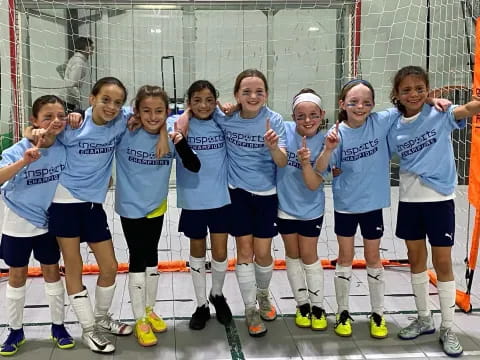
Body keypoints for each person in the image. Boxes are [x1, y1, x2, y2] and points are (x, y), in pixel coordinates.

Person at [388, 65, 480, 357]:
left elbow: (468, 109)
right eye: (407, 90)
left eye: (419, 89)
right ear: (397, 94)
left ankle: (448, 327)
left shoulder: (440, 114)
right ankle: (424, 318)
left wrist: (436, 101)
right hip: (409, 201)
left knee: (441, 262)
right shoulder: (393, 125)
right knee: (416, 259)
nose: (413, 94)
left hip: (439, 200)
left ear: (427, 89)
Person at [48, 77, 133, 353]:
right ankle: (88, 330)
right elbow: (37, 129)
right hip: (64, 202)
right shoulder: (73, 125)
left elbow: (154, 109)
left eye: (118, 102)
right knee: (74, 266)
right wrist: (60, 119)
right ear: (91, 99)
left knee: (110, 266)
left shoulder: (120, 121)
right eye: (105, 100)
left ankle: (101, 318)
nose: (111, 107)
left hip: (93, 205)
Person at [115, 85, 200, 346]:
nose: (153, 116)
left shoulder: (172, 132)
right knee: (137, 258)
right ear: (136, 112)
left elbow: (194, 166)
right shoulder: (124, 129)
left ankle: (149, 310)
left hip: (156, 206)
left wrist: (173, 137)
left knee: (152, 257)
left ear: (167, 111)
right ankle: (139, 318)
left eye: (159, 111)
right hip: (130, 206)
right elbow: (102, 112)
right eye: (146, 111)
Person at [0, 95, 74, 356]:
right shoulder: (17, 149)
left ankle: (58, 326)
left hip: (47, 223)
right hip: (17, 223)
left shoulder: (64, 147)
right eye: (48, 117)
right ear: (34, 120)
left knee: (52, 272)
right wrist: (24, 162)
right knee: (17, 276)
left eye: (60, 116)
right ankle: (15, 330)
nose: (55, 122)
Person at [216, 69, 287, 337]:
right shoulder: (227, 118)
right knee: (244, 252)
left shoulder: (274, 120)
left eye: (259, 91)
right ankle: (249, 308)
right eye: (246, 92)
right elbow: (197, 111)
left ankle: (263, 295)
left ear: (266, 94)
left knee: (264, 253)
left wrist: (272, 147)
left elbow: (281, 162)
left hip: (267, 195)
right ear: (236, 95)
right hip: (238, 194)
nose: (253, 96)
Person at [175, 80, 232, 330]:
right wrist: (185, 115)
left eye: (209, 100)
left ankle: (217, 294)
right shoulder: (178, 125)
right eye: (196, 100)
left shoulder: (223, 121)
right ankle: (200, 304)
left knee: (220, 251)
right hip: (192, 198)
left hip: (220, 198)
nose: (203, 105)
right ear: (189, 102)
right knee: (197, 249)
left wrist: (225, 107)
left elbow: (240, 112)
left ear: (216, 101)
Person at [276, 89, 328, 331]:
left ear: (322, 115)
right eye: (301, 116)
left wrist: (306, 162)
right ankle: (302, 305)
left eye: (313, 115)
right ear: (293, 116)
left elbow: (314, 183)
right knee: (293, 254)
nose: (307, 121)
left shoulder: (328, 141)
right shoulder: (283, 130)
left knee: (309, 254)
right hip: (285, 207)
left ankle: (317, 306)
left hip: (310, 208)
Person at [61, 37, 94, 113]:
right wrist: (78, 99)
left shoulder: (75, 59)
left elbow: (60, 69)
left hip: (67, 98)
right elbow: (72, 84)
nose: (93, 51)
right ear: (86, 48)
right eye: (92, 48)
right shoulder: (79, 62)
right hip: (68, 100)